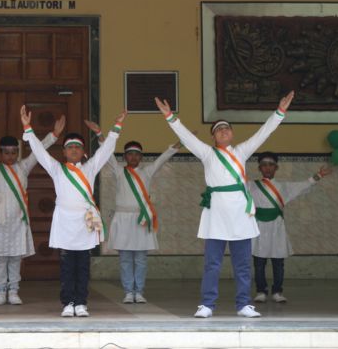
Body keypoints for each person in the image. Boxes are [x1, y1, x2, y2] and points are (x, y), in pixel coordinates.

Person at [155, 91, 294, 318]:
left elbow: (263, 134)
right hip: (216, 214)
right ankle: (207, 304)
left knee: (242, 264)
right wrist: (170, 117)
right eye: (219, 129)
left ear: (232, 133)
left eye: (226, 128)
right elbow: (188, 138)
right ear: (213, 136)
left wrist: (280, 112)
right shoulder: (207, 154)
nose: (223, 131)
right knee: (212, 264)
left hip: (240, 213)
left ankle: (243, 304)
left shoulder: (241, 151)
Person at [21, 105, 127, 317]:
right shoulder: (57, 169)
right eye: (70, 147)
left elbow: (105, 151)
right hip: (64, 221)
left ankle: (81, 302)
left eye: (78, 147)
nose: (74, 150)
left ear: (83, 150)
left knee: (83, 265)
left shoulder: (90, 167)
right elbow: (40, 153)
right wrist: (28, 128)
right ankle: (68, 302)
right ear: (64, 151)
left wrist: (116, 127)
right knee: (67, 265)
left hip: (85, 221)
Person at [0, 112, 65, 305]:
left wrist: (54, 135)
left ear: (18, 153)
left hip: (18, 218)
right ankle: (0, 291)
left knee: (15, 257)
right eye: (6, 152)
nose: (10, 156)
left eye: (13, 152)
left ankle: (14, 290)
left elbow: (38, 152)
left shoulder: (24, 166)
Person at [84, 120, 180, 304]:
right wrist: (99, 134)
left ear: (141, 157)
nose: (133, 157)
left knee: (141, 258)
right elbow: (108, 154)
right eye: (130, 154)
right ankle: (129, 291)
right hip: (123, 218)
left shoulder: (148, 171)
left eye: (137, 154)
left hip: (142, 219)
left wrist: (181, 142)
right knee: (126, 258)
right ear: (125, 156)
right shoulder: (119, 171)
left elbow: (163, 158)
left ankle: (139, 291)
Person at [250, 151, 332, 303]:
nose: (267, 168)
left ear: (276, 168)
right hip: (259, 227)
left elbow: (302, 186)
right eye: (264, 165)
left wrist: (318, 175)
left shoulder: (283, 187)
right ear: (259, 168)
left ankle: (277, 292)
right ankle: (261, 291)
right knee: (259, 262)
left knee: (278, 262)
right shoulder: (252, 186)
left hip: (277, 227)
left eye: (271, 165)